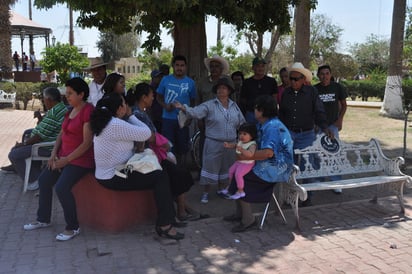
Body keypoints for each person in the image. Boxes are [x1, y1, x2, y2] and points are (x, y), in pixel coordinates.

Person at [90, 92, 184, 240]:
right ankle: (165, 224)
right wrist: (132, 116)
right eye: (124, 104)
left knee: (167, 168)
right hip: (114, 175)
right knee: (160, 177)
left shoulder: (107, 122)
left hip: (117, 170)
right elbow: (146, 133)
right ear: (119, 109)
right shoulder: (114, 124)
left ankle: (170, 216)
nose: (127, 106)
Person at [23, 77, 95, 241]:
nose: (67, 96)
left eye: (70, 93)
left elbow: (86, 143)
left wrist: (66, 160)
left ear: (81, 94)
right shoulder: (70, 110)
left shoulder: (87, 111)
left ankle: (73, 227)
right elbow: (61, 134)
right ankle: (43, 219)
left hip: (80, 160)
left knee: (62, 188)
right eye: (66, 93)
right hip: (63, 157)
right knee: (44, 181)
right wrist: (53, 153)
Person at [126, 83, 201, 221]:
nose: (153, 99)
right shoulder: (138, 114)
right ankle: (182, 211)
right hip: (148, 156)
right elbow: (149, 136)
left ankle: (183, 209)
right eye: (151, 96)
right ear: (144, 97)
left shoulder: (140, 112)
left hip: (153, 153)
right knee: (178, 175)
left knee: (177, 173)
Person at [225, 95, 294, 233]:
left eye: (256, 108)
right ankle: (241, 214)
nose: (254, 110)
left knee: (242, 178)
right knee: (236, 172)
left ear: (262, 110)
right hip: (267, 165)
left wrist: (245, 156)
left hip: (276, 169)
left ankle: (248, 219)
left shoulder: (272, 127)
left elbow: (268, 153)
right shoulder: (265, 124)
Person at [174, 78, 245, 204]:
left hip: (230, 144)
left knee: (227, 168)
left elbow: (242, 123)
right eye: (218, 88)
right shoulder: (210, 105)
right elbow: (196, 112)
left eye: (223, 88)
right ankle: (205, 193)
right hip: (213, 142)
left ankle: (222, 190)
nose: (220, 90)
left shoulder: (234, 106)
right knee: (210, 168)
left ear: (229, 91)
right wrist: (184, 108)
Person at [279, 62, 331, 206]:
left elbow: (319, 110)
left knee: (308, 164)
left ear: (303, 79)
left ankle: (307, 196)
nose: (293, 82)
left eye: (296, 79)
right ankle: (290, 195)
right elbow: (282, 113)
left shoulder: (311, 92)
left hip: (306, 133)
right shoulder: (286, 93)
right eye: (291, 79)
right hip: (289, 133)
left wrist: (325, 127)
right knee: (290, 165)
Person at [2, 87, 67, 191]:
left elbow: (39, 136)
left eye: (44, 99)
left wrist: (23, 144)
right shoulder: (60, 107)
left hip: (46, 147)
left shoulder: (54, 113)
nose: (43, 102)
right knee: (26, 133)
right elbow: (45, 127)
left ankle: (34, 180)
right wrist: (40, 118)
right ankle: (25, 168)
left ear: (49, 100)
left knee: (13, 154)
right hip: (45, 140)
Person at [156, 55, 196, 166]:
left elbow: (193, 101)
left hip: (183, 120)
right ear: (173, 66)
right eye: (177, 65)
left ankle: (181, 172)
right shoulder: (165, 79)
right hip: (167, 119)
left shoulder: (191, 83)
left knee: (183, 148)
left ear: (186, 67)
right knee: (168, 146)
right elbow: (158, 97)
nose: (179, 68)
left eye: (182, 65)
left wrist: (190, 116)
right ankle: (170, 172)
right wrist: (165, 106)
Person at [315, 64, 348, 194]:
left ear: (330, 74)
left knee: (334, 153)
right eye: (322, 74)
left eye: (327, 73)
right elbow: (311, 108)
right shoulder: (314, 89)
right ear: (318, 75)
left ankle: (336, 181)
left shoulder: (337, 87)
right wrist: (314, 124)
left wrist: (340, 120)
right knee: (318, 153)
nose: (324, 76)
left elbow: (344, 105)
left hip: (332, 125)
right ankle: (318, 180)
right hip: (319, 126)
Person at [222, 123, 257, 200]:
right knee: (231, 171)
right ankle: (230, 187)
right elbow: (235, 145)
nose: (241, 136)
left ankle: (240, 191)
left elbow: (250, 154)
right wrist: (228, 145)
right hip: (239, 162)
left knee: (238, 174)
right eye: (240, 133)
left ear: (251, 135)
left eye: (245, 134)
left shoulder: (252, 144)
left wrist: (242, 150)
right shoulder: (241, 141)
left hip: (247, 164)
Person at [239, 57, 278, 123]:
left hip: (267, 114)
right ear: (253, 67)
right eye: (258, 66)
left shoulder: (271, 81)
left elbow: (274, 98)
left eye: (262, 66)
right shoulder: (247, 82)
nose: (260, 68)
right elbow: (243, 99)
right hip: (251, 114)